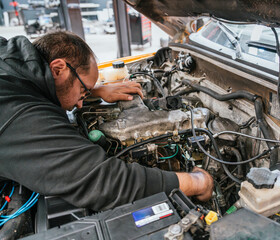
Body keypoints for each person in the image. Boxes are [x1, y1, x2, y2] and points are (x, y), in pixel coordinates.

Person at [0, 31, 213, 211]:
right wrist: (196, 182)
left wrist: (93, 90)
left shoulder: (9, 57)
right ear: (57, 70)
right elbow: (105, 181)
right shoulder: (19, 115)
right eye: (83, 91)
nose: (81, 105)